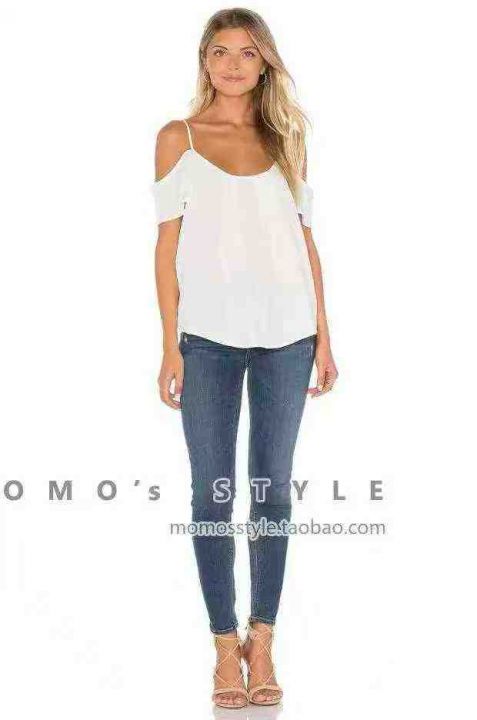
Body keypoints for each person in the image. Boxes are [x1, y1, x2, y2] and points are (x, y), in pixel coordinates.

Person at [150, 7, 338, 709]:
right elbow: (166, 247)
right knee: (212, 494)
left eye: (247, 53)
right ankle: (223, 645)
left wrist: (324, 334)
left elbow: (304, 240)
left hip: (288, 336)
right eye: (221, 52)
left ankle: (264, 639)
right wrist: (169, 343)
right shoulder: (178, 137)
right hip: (206, 340)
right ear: (204, 61)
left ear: (265, 63)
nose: (233, 64)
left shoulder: (287, 138)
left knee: (271, 492)